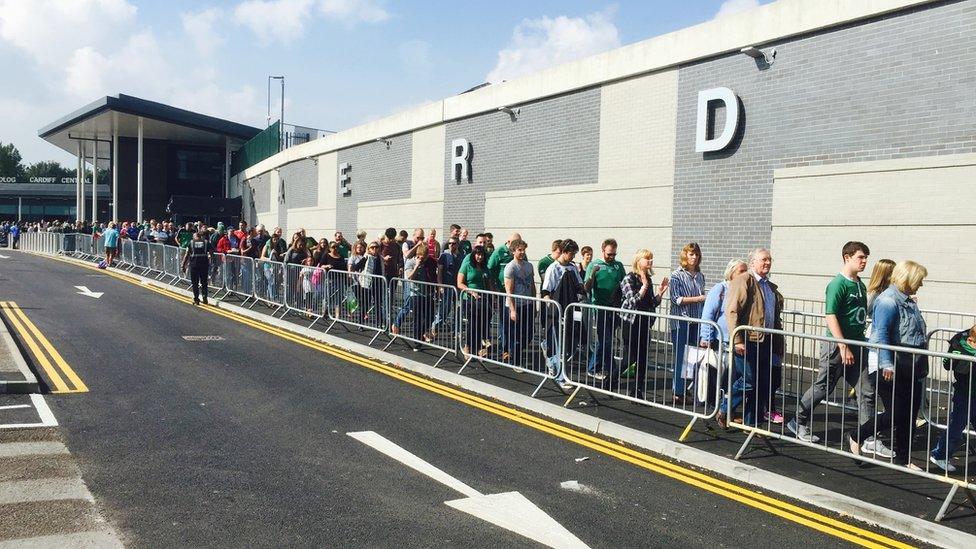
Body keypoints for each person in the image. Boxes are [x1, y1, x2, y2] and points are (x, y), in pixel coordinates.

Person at [788, 242, 891, 455]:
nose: (864, 262)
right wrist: (842, 345)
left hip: (858, 344)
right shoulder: (837, 284)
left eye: (866, 258)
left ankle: (867, 437)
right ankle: (797, 421)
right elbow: (831, 315)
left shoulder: (860, 285)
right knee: (823, 386)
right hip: (837, 346)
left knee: (867, 391)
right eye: (860, 257)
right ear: (847, 257)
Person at [860, 260, 929, 469]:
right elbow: (880, 335)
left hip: (912, 366)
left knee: (910, 414)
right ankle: (857, 436)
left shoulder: (908, 301)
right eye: (919, 280)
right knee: (897, 413)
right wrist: (886, 364)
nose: (921, 285)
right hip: (894, 366)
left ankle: (904, 458)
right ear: (907, 279)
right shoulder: (888, 301)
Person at [717, 248, 784, 428]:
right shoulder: (744, 280)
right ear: (753, 262)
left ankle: (751, 424)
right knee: (748, 381)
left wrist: (778, 343)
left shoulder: (769, 287)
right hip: (747, 341)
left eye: (769, 260)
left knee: (760, 384)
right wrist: (737, 339)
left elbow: (774, 317)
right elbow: (732, 311)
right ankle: (724, 408)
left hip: (766, 341)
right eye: (763, 259)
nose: (767, 263)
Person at [620, 249, 668, 399]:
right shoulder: (629, 278)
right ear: (638, 261)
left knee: (642, 358)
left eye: (651, 259)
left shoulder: (648, 278)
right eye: (647, 259)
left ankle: (637, 390)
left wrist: (660, 293)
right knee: (630, 357)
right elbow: (632, 301)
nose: (650, 262)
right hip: (631, 322)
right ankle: (612, 377)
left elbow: (650, 303)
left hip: (644, 323)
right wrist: (644, 287)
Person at [930, 325, 976, 472]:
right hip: (965, 394)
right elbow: (947, 365)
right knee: (957, 426)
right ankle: (940, 455)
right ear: (971, 340)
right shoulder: (959, 347)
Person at [541, 239, 584, 391]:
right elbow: (545, 292)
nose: (573, 256)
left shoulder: (572, 268)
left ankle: (551, 360)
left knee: (571, 345)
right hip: (558, 312)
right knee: (560, 345)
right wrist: (552, 308)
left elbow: (580, 286)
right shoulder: (553, 268)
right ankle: (560, 377)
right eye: (571, 253)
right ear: (564, 252)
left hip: (571, 311)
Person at [583, 239, 626, 386]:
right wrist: (593, 274)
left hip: (614, 307)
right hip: (600, 308)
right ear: (603, 251)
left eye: (614, 254)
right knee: (606, 339)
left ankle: (594, 367)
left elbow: (624, 284)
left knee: (606, 341)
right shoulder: (594, 265)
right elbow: (586, 288)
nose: (611, 257)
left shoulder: (618, 266)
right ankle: (610, 370)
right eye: (609, 254)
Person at [669, 243, 707, 404]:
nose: (694, 257)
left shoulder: (700, 275)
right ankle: (677, 391)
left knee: (691, 357)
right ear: (685, 256)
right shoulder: (676, 275)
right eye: (691, 254)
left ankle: (685, 389)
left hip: (696, 320)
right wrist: (698, 299)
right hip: (681, 320)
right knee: (681, 356)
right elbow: (676, 299)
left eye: (696, 255)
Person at [503, 238, 535, 365]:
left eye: (523, 250)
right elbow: (509, 291)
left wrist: (534, 304)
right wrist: (513, 310)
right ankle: (515, 361)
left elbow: (532, 285)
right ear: (513, 251)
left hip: (527, 304)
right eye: (519, 250)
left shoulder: (529, 266)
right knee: (516, 336)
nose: (522, 252)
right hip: (515, 306)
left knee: (528, 334)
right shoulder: (510, 267)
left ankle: (514, 353)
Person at [458, 245, 492, 358]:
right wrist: (471, 292)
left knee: (482, 323)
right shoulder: (467, 266)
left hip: (483, 299)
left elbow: (488, 284)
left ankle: (479, 347)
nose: (480, 257)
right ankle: (467, 345)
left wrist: (494, 296)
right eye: (477, 254)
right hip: (469, 299)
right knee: (473, 323)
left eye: (482, 254)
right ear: (473, 255)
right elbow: (460, 283)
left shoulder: (485, 268)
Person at [489, 233, 520, 354]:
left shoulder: (519, 252)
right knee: (504, 318)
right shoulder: (499, 252)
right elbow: (490, 269)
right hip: (503, 291)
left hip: (516, 292)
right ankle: (504, 346)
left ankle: (510, 345)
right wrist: (494, 288)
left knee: (514, 319)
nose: (518, 245)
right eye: (515, 242)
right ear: (508, 241)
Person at [433, 236, 463, 336]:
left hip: (458, 288)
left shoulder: (461, 256)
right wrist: (440, 286)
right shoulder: (444, 256)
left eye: (453, 243)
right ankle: (435, 326)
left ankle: (456, 330)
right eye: (449, 243)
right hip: (447, 287)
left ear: (457, 244)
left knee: (458, 310)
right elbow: (440, 272)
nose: (451, 245)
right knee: (445, 308)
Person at [181, 230, 213, 305]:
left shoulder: (191, 243)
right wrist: (210, 259)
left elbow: (187, 254)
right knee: (204, 282)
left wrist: (183, 265)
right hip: (204, 265)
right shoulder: (206, 242)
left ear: (194, 237)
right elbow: (211, 252)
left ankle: (196, 299)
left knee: (195, 283)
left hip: (194, 265)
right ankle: (205, 297)